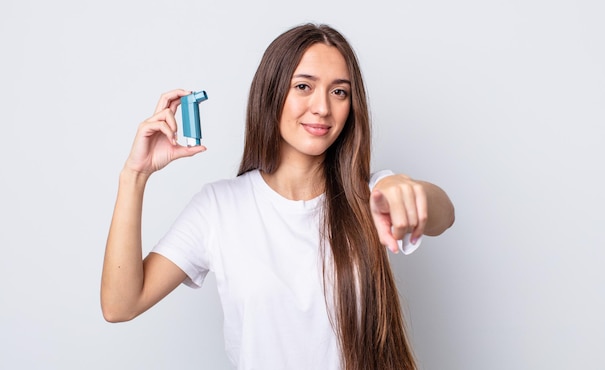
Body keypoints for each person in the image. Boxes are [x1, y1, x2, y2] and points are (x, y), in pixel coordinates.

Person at [101, 23, 454, 370]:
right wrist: (134, 175)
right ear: (271, 94)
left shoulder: (371, 199)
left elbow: (444, 214)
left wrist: (407, 188)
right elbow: (120, 305)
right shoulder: (219, 208)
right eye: (304, 86)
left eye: (339, 92)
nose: (322, 108)